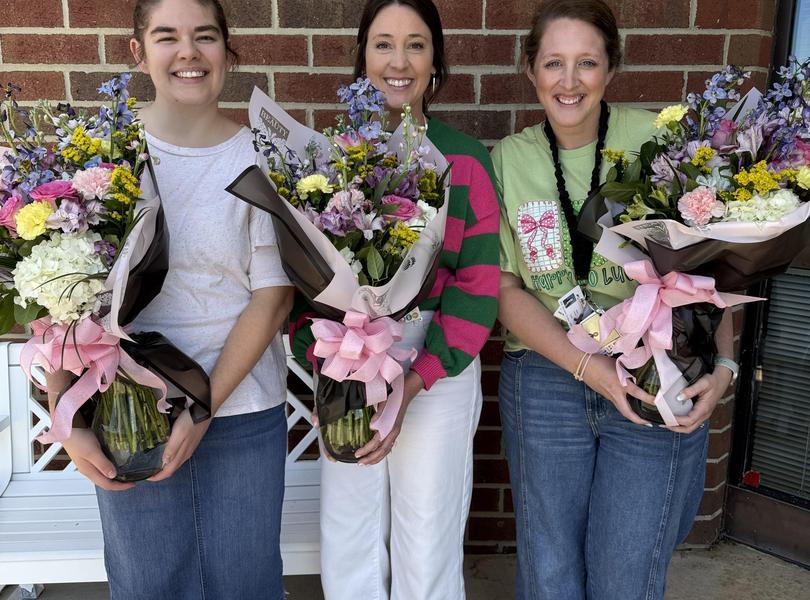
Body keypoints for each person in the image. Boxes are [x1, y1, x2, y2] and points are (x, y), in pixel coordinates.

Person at [46, 1, 294, 598]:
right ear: (139, 52)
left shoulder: (262, 156)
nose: (188, 52)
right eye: (168, 37)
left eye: (204, 36)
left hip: (239, 412)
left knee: (247, 585)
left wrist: (203, 406)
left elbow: (273, 297)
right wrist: (63, 413)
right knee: (147, 585)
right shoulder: (100, 159)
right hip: (126, 414)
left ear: (227, 52)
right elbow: (58, 297)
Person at [492, 1, 735, 598]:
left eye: (586, 63)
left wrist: (724, 366)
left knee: (626, 573)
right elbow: (504, 288)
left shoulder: (657, 141)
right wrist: (588, 368)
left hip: (654, 369)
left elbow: (713, 266)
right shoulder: (508, 159)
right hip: (546, 375)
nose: (568, 82)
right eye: (553, 63)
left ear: (611, 68)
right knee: (548, 572)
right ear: (531, 70)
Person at [289, 1, 500, 598]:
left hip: (435, 359)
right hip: (347, 356)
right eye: (383, 44)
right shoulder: (323, 161)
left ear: (436, 60)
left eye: (416, 45)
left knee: (427, 530)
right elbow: (296, 281)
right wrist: (319, 348)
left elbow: (478, 281)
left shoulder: (464, 158)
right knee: (349, 525)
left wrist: (417, 377)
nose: (398, 62)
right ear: (362, 57)